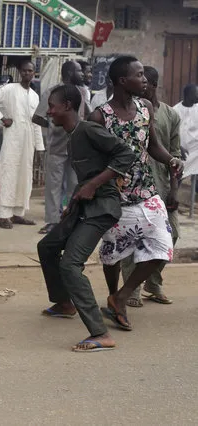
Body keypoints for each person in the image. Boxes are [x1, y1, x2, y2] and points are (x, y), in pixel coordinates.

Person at [37, 85, 136, 352]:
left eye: (52, 106)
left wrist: (93, 185)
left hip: (102, 207)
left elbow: (126, 154)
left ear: (68, 105)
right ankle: (64, 303)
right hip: (85, 205)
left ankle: (100, 333)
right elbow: (87, 176)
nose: (49, 111)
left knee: (70, 265)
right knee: (46, 246)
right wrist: (76, 198)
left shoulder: (88, 130)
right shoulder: (72, 136)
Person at [87, 56, 182, 332]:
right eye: (138, 75)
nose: (144, 80)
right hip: (114, 195)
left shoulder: (145, 108)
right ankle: (115, 298)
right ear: (121, 81)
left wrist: (170, 160)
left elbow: (153, 146)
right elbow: (91, 158)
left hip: (146, 191)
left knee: (164, 246)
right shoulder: (100, 116)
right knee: (112, 254)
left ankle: (121, 297)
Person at [121, 66, 181, 307]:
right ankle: (131, 290)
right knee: (133, 238)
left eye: (145, 80)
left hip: (163, 186)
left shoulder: (170, 115)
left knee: (171, 235)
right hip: (135, 186)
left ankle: (152, 282)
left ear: (153, 84)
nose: (142, 83)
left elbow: (174, 155)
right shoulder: (129, 112)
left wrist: (175, 190)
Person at [0, 61, 44, 229]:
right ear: (19, 72)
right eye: (24, 71)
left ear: (34, 73)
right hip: (12, 139)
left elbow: (37, 122)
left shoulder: (34, 95)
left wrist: (39, 147)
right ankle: (4, 216)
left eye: (30, 71)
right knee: (9, 173)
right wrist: (3, 118)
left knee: (25, 176)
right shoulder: (9, 90)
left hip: (29, 140)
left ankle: (18, 214)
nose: (27, 74)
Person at [33, 61, 87, 235]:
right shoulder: (52, 93)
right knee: (53, 187)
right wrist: (54, 126)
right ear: (70, 73)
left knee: (74, 186)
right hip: (56, 147)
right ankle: (52, 221)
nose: (83, 74)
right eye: (79, 71)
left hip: (77, 147)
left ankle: (71, 219)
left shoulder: (82, 92)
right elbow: (38, 117)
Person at [173, 84, 198, 176]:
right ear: (188, 95)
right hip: (181, 149)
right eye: (196, 93)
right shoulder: (175, 110)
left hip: (195, 148)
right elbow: (171, 132)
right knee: (178, 174)